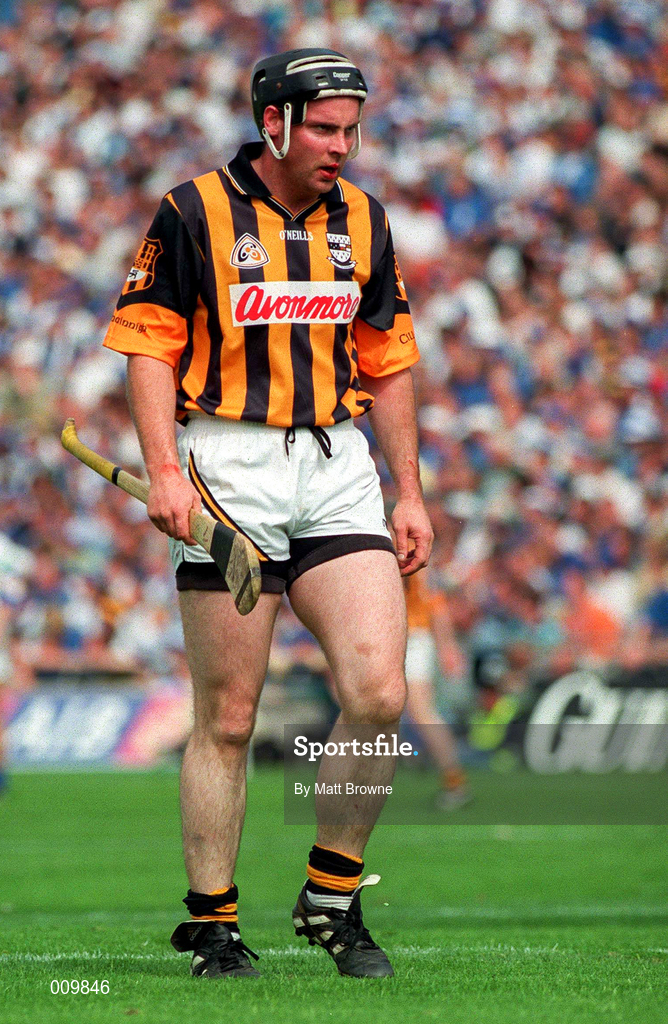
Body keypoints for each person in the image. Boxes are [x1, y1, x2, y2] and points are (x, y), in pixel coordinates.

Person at [102, 48, 432, 979]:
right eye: (324, 129)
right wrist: (165, 470)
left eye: (351, 129)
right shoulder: (192, 211)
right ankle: (213, 922)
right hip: (229, 465)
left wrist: (409, 490)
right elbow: (149, 347)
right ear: (274, 123)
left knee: (379, 692)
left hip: (335, 462)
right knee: (230, 715)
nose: (342, 146)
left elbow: (388, 361)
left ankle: (331, 895)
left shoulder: (365, 220)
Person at [403, 572, 472, 809]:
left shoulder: (408, 554)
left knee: (422, 711)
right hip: (402, 634)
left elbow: (433, 600)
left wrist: (447, 645)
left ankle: (454, 781)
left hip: (411, 634)